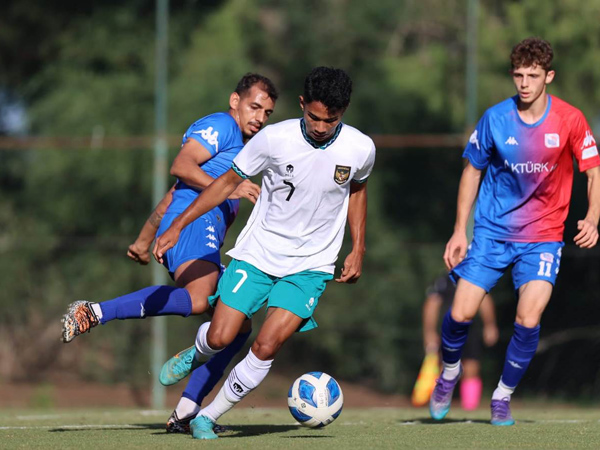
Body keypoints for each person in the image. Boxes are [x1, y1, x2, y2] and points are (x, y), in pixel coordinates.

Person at [153, 66, 376, 440]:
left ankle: (206, 416)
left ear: (344, 111)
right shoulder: (274, 139)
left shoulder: (360, 147)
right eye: (314, 117)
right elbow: (226, 184)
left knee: (266, 344)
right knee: (222, 337)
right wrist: (177, 225)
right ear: (303, 105)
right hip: (258, 254)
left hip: (312, 264)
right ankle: (198, 350)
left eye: (331, 120)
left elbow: (357, 190)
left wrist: (359, 248)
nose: (321, 127)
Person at [60, 73, 278, 432]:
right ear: (235, 101)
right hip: (194, 224)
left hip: (192, 227)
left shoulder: (244, 146)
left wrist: (144, 239)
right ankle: (93, 311)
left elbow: (170, 195)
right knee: (199, 299)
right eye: (254, 106)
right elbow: (181, 166)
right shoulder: (222, 125)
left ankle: (187, 411)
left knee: (237, 326)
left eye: (267, 112)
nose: (259, 116)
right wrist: (228, 189)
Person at [430, 37, 600, 426]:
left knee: (528, 317)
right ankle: (449, 374)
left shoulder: (570, 119)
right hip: (491, 234)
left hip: (543, 238)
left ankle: (502, 398)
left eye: (533, 76)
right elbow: (471, 171)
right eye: (518, 75)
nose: (524, 83)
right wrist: (460, 230)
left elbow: (593, 171)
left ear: (549, 77)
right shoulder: (495, 119)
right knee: (459, 313)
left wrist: (592, 217)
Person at [411, 275, 498, 410]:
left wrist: (490, 325)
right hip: (447, 331)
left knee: (472, 368)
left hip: (470, 331)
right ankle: (439, 403)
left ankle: (470, 408)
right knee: (443, 368)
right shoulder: (442, 281)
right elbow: (431, 305)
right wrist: (429, 332)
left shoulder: (476, 277)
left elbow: (485, 300)